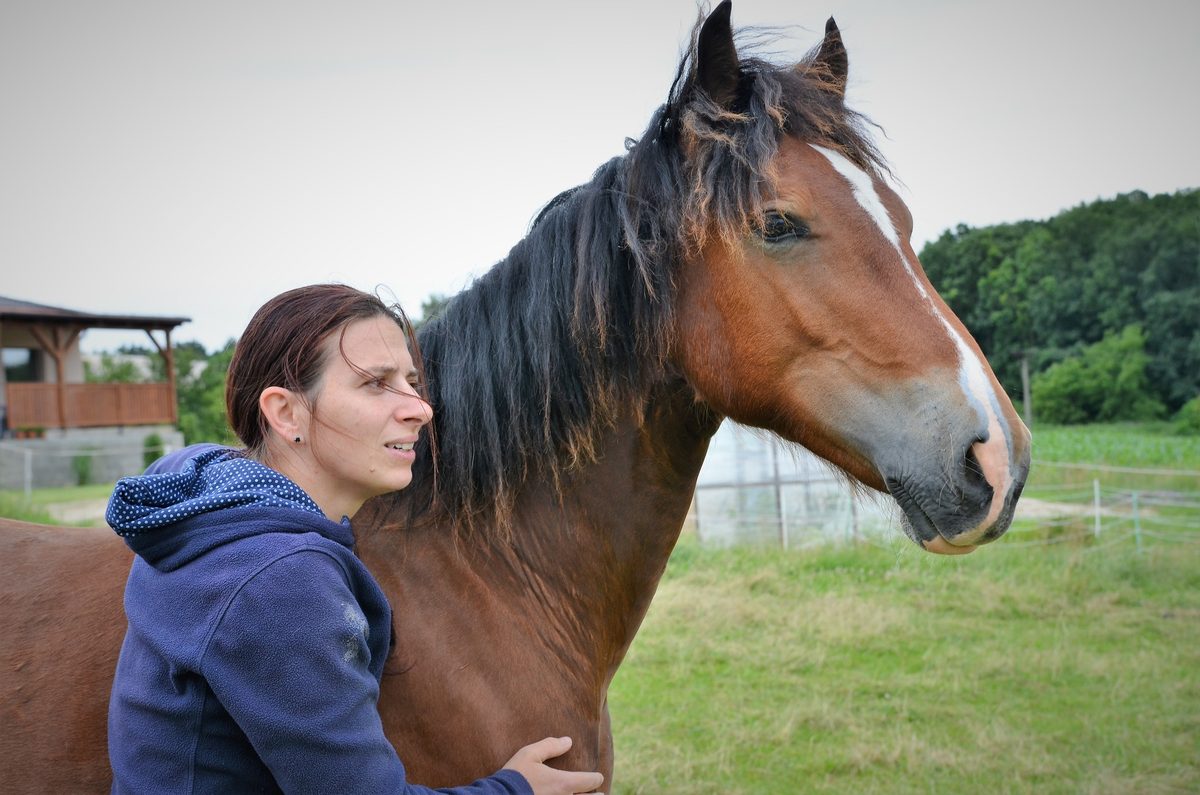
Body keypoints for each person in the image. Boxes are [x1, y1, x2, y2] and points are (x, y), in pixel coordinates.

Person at [106, 284, 604, 794]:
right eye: (374, 384)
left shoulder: (215, 502)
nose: (420, 409)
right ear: (285, 414)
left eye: (412, 381)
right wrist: (515, 789)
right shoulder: (277, 578)